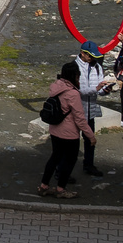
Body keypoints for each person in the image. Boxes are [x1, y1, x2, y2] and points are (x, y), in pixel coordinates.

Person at [41, 62, 91, 198]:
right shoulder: (73, 94)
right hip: (69, 134)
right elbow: (79, 118)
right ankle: (60, 189)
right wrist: (90, 135)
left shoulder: (56, 86)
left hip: (55, 130)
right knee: (69, 161)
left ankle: (44, 186)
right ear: (75, 75)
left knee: (54, 157)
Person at [73, 42, 113, 176]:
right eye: (90, 56)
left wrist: (104, 90)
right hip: (76, 112)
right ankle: (62, 170)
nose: (92, 59)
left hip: (90, 110)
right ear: (83, 53)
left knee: (90, 140)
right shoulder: (74, 67)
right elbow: (77, 91)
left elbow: (98, 90)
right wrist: (95, 89)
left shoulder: (97, 67)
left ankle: (89, 165)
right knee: (71, 143)